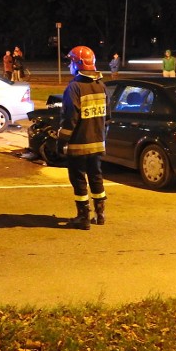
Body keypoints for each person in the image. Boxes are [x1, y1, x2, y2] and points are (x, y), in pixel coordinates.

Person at [58, 45, 107, 230]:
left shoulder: (74, 88)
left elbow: (70, 118)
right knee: (96, 176)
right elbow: (107, 117)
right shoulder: (101, 86)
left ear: (77, 64)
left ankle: (83, 217)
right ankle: (100, 214)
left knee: (78, 179)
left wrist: (61, 141)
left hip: (79, 144)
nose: (69, 65)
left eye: (71, 61)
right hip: (97, 144)